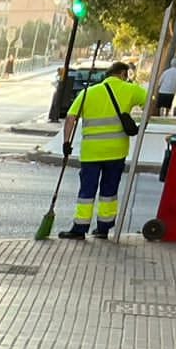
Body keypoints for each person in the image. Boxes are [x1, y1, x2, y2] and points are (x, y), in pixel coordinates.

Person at [61, 60, 150, 240]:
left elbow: (71, 118)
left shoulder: (88, 93)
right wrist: (142, 124)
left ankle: (79, 229)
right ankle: (103, 228)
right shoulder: (131, 90)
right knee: (109, 191)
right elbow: (152, 104)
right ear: (124, 74)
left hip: (91, 153)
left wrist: (66, 143)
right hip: (116, 152)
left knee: (87, 191)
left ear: (107, 75)